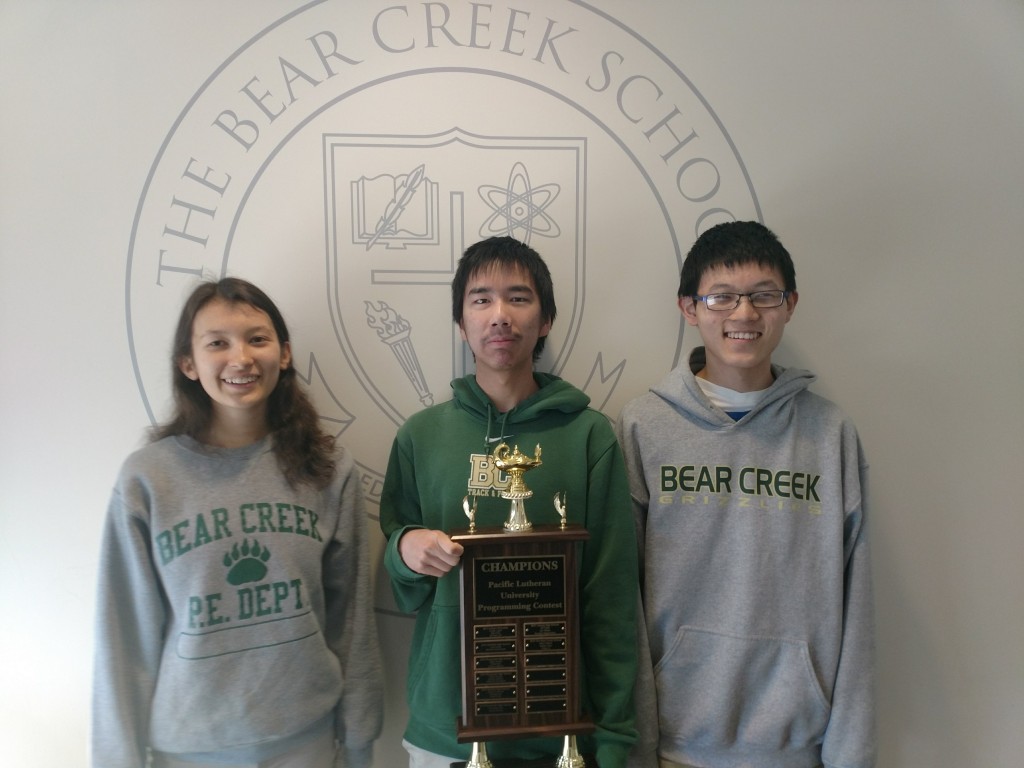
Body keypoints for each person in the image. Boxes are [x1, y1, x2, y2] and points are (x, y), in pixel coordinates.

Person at [92, 278, 383, 768]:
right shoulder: (148, 480)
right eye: (217, 343)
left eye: (257, 339)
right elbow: (123, 637)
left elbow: (351, 622)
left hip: (305, 739)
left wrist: (358, 741)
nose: (241, 358)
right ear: (189, 363)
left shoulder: (328, 471)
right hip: (189, 748)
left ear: (284, 354)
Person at [616, 221, 876, 768]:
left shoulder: (829, 436)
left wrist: (851, 754)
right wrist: (634, 745)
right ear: (689, 307)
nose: (744, 314)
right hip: (674, 747)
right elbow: (622, 603)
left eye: (764, 296)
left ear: (790, 304)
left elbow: (858, 604)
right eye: (722, 297)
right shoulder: (643, 428)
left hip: (797, 748)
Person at [379, 236, 639, 768]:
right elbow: (398, 579)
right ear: (461, 323)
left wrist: (612, 741)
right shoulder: (420, 437)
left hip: (561, 729)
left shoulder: (591, 437)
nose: (500, 315)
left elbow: (609, 599)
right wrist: (405, 549)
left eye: (518, 298)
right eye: (481, 299)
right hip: (444, 728)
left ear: (545, 320)